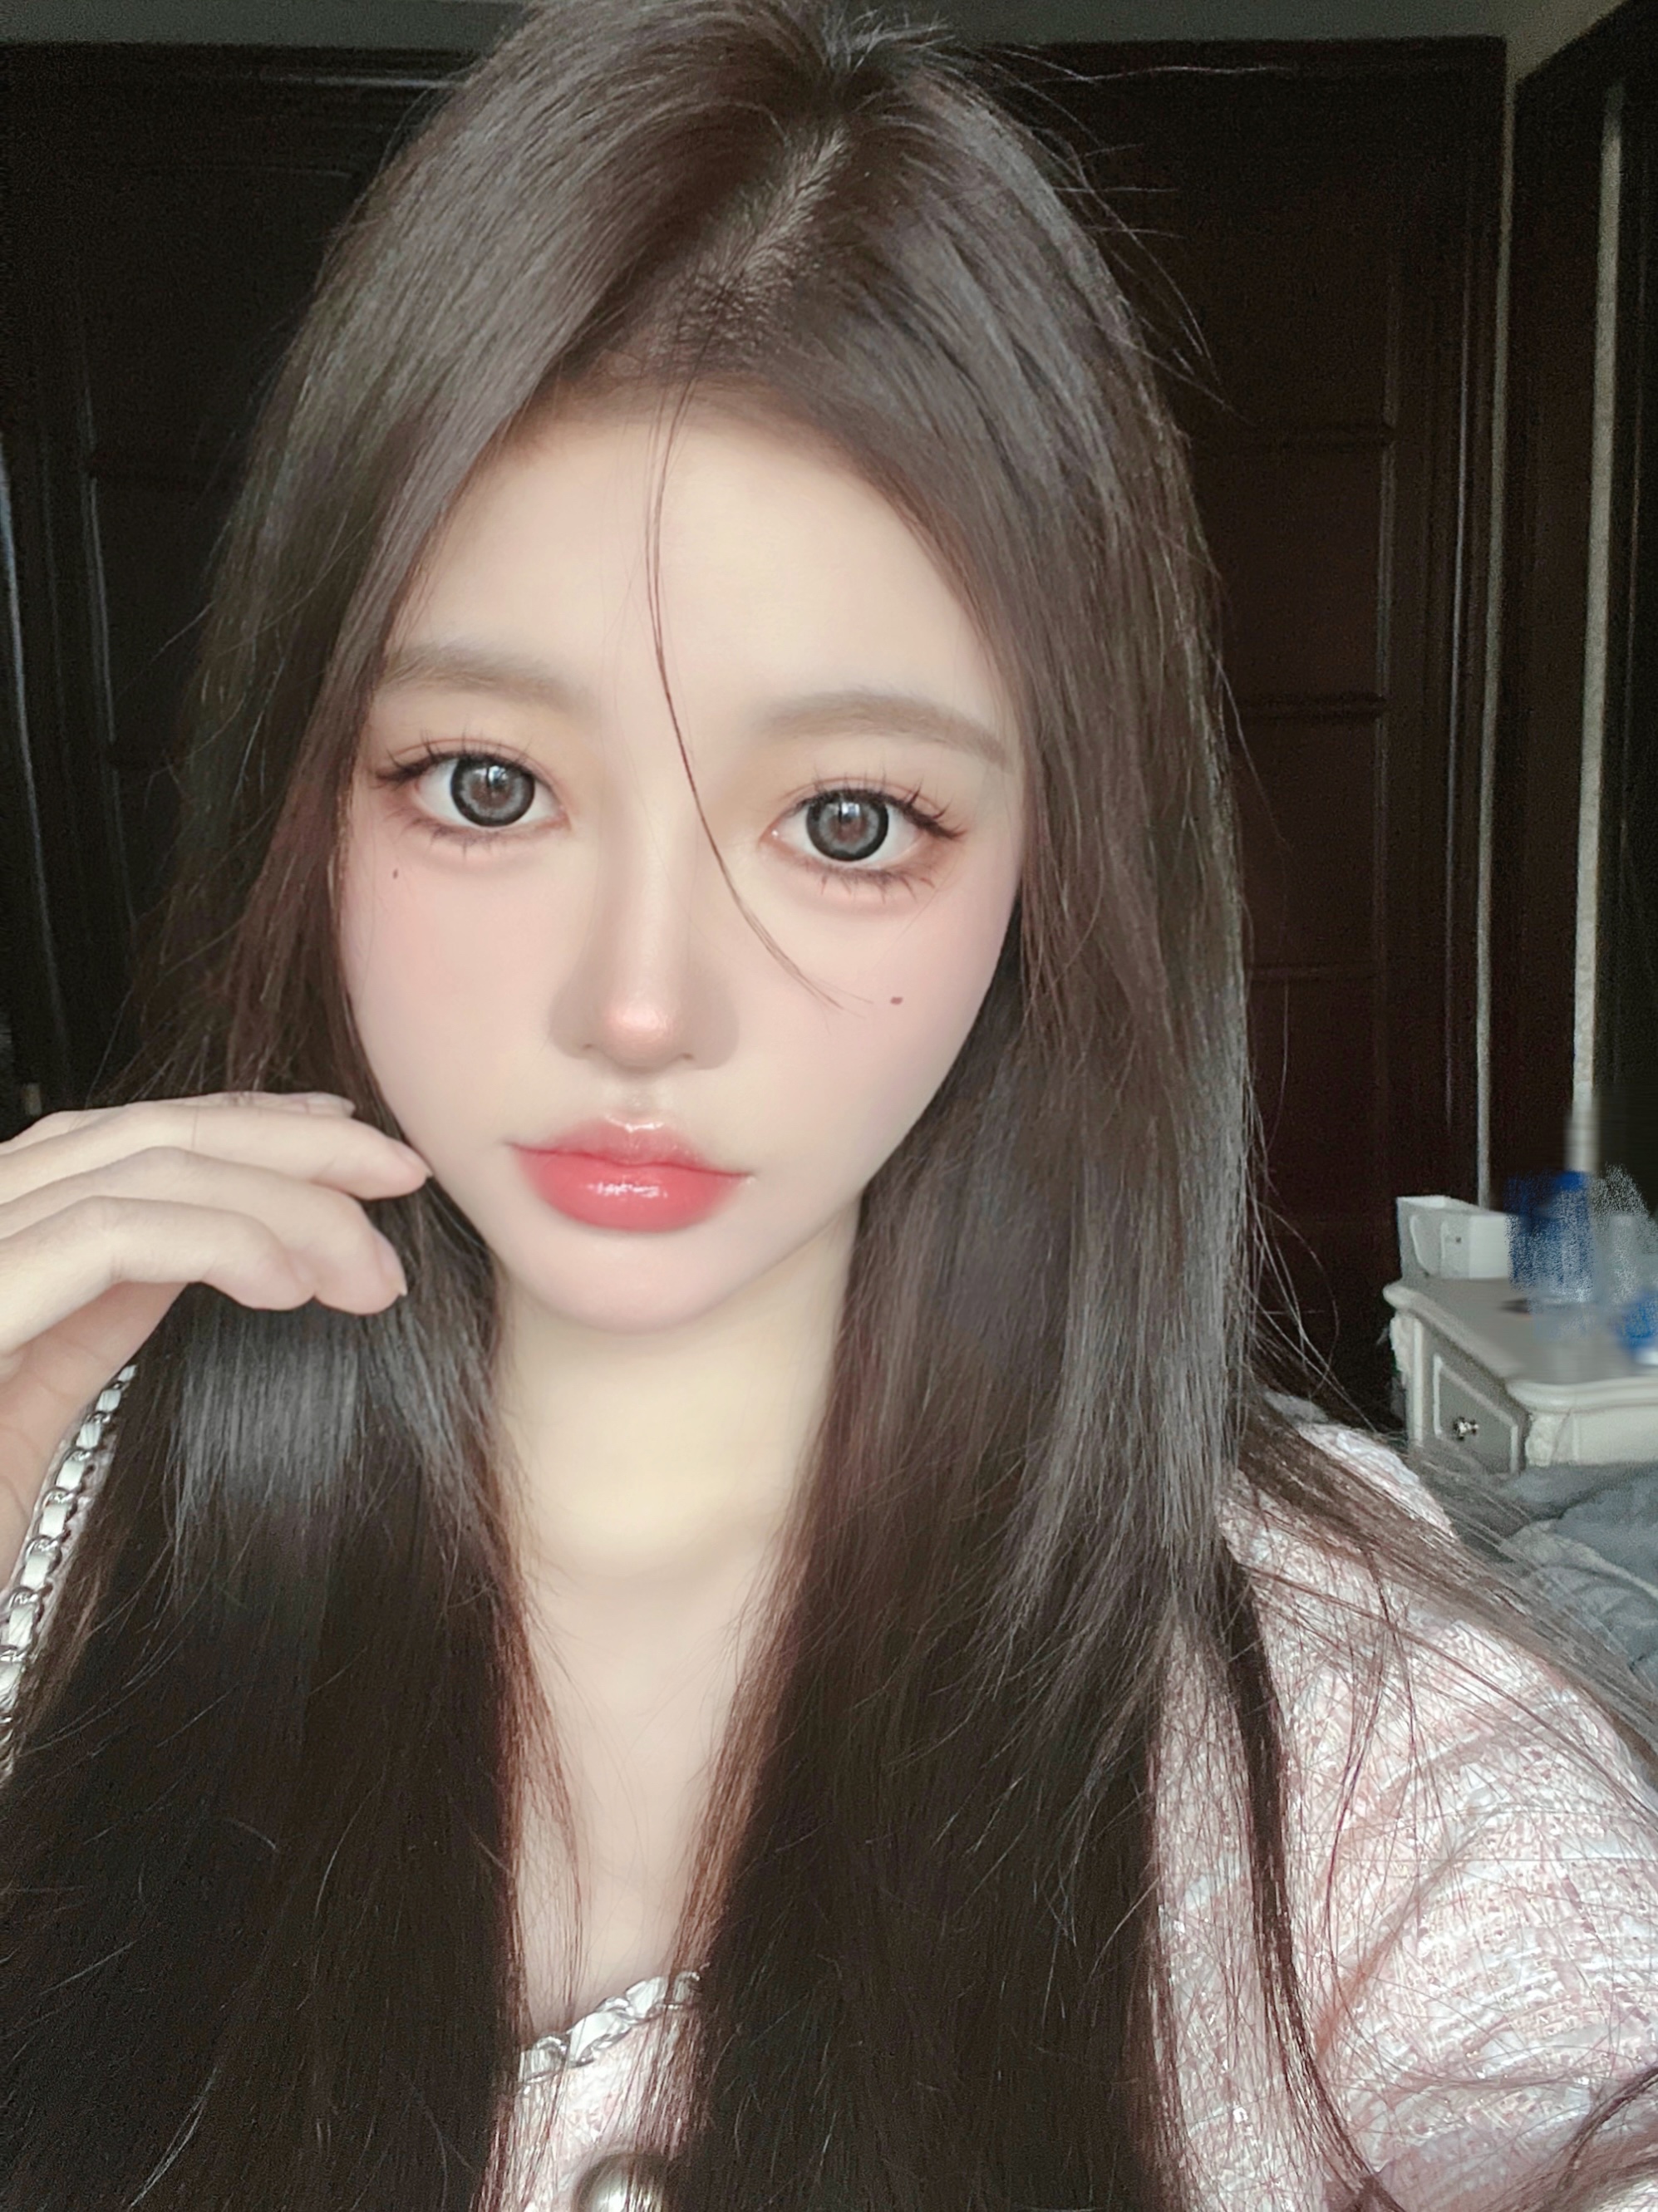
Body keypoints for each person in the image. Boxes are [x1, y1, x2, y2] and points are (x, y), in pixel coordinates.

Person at [0, 4, 1656, 2207]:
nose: (641, 1006)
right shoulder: (49, 1534)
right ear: (306, 793)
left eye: (850, 822)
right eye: (484, 785)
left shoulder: (1355, 1725)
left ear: (1054, 872)